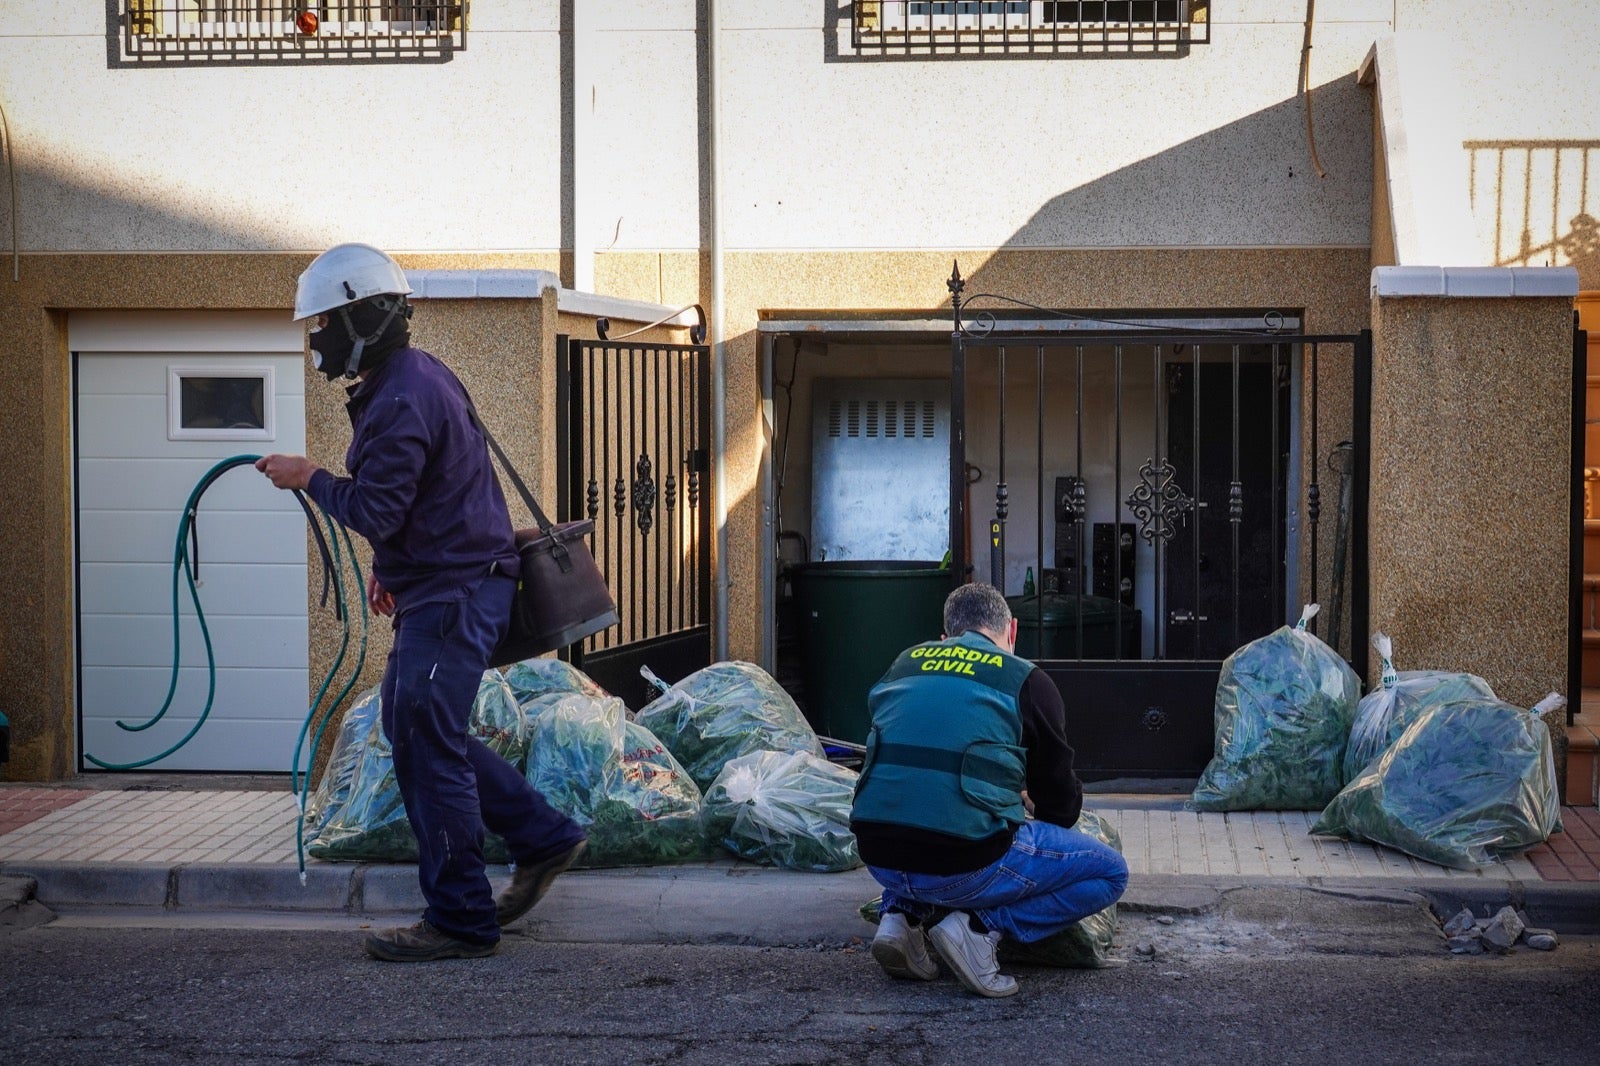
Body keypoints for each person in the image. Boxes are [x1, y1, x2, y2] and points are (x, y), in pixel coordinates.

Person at [256, 242, 586, 962]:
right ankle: (544, 836)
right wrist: (391, 568)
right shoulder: (409, 379)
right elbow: (423, 502)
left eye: (325, 324)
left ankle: (462, 919)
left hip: (455, 593)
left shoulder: (402, 393)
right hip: (443, 585)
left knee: (426, 743)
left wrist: (308, 476)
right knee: (420, 735)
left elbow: (378, 506)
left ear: (365, 317)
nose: (317, 341)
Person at [849, 582, 1128, 997]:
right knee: (1110, 872)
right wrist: (1027, 802)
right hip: (964, 866)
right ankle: (979, 931)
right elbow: (1059, 807)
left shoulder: (905, 662)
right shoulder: (1025, 679)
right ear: (1011, 632)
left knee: (918, 801)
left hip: (877, 856)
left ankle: (899, 921)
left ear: (946, 638)